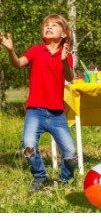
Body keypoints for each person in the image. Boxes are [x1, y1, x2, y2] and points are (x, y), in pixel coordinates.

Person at [0, 15, 77, 192]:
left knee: (71, 154)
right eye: (46, 25)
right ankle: (40, 176)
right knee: (28, 145)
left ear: (64, 33)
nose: (48, 27)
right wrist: (11, 51)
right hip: (35, 111)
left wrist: (65, 60)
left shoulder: (66, 55)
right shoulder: (36, 50)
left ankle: (65, 180)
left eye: (54, 25)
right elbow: (19, 63)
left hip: (57, 114)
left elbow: (69, 77)